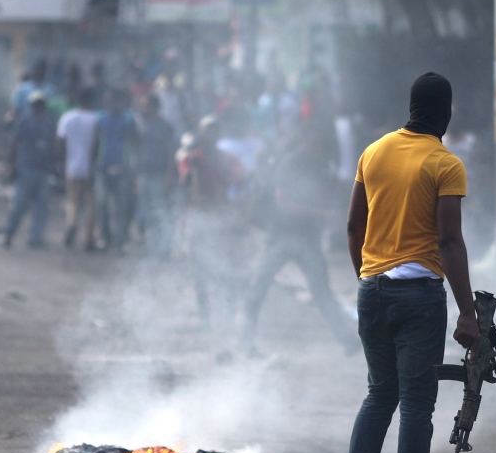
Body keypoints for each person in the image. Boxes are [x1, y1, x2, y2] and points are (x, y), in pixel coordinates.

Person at [335, 73, 478, 453]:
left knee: (380, 395)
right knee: (417, 406)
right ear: (447, 112)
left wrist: (367, 277)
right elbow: (449, 240)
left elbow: (354, 227)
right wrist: (467, 311)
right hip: (418, 296)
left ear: (411, 106)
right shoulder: (444, 163)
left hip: (371, 289)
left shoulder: (372, 152)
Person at [240, 125, 360, 357]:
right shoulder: (289, 164)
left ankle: (348, 340)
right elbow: (284, 204)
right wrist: (321, 215)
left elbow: (324, 197)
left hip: (308, 240)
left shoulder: (322, 166)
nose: (320, 148)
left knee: (321, 291)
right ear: (307, 141)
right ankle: (245, 342)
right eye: (316, 143)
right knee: (257, 289)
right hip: (281, 236)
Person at [177, 115, 245, 327]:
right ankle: (205, 316)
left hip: (221, 216)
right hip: (198, 217)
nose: (211, 134)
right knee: (199, 272)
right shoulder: (190, 158)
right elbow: (184, 183)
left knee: (227, 268)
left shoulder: (228, 158)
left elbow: (239, 179)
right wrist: (193, 164)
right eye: (207, 130)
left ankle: (228, 314)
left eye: (214, 130)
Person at [4, 92, 57, 248]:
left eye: (40, 104)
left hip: (43, 169)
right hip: (26, 167)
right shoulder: (24, 121)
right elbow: (15, 143)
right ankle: (9, 233)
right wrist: (12, 166)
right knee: (19, 203)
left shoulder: (49, 123)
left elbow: (53, 145)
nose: (37, 107)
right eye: (35, 104)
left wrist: (54, 166)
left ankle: (35, 237)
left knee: (41, 206)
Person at [135, 93, 178, 258]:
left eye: (145, 104)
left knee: (161, 211)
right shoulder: (140, 125)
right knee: (147, 212)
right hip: (144, 173)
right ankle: (151, 247)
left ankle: (164, 248)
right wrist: (137, 175)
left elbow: (170, 152)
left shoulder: (165, 127)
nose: (142, 108)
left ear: (154, 107)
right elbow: (138, 151)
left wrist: (169, 175)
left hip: (160, 175)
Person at [95, 90, 137, 254]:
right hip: (102, 169)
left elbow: (136, 144)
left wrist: (133, 168)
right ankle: (105, 238)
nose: (112, 104)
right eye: (109, 101)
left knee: (121, 208)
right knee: (102, 204)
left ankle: (120, 242)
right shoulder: (100, 119)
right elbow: (95, 142)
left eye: (115, 101)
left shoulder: (128, 120)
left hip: (123, 169)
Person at [57, 90, 100, 251]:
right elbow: (96, 145)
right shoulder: (96, 119)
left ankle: (72, 224)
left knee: (73, 200)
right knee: (90, 204)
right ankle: (88, 237)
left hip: (72, 166)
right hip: (90, 168)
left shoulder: (67, 118)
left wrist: (61, 164)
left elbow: (60, 142)